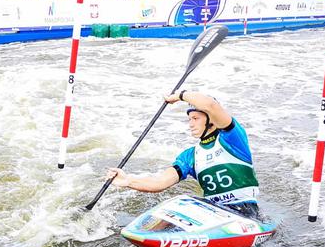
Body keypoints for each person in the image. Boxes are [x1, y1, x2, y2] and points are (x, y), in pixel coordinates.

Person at [107, 91, 261, 219]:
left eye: (195, 118)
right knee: (183, 202)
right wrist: (128, 180)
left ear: (212, 120)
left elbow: (210, 105)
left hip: (245, 212)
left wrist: (180, 95)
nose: (191, 124)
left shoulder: (232, 139)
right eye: (189, 119)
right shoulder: (190, 156)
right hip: (214, 212)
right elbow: (160, 182)